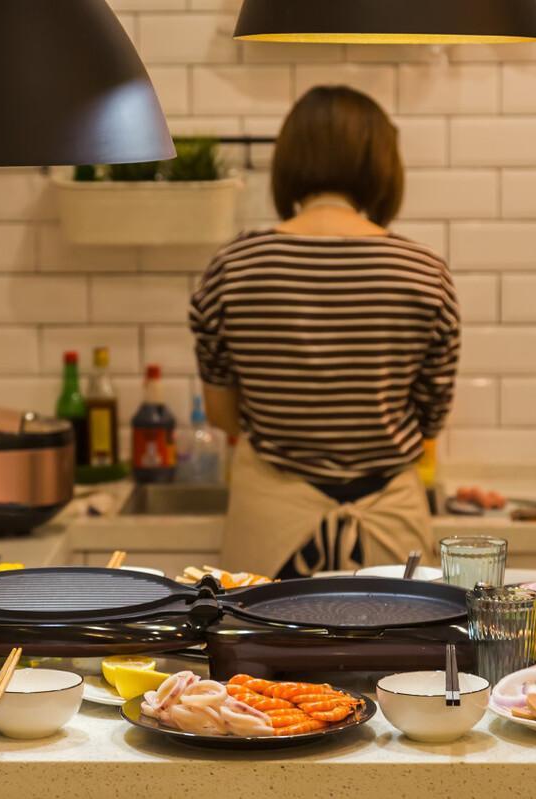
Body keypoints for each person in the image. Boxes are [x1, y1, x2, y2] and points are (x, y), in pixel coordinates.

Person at [189, 85, 461, 579]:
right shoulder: (424, 272)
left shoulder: (232, 268)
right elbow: (429, 422)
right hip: (391, 532)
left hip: (271, 530)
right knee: (401, 658)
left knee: (264, 654)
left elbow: (224, 417)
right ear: (382, 166)